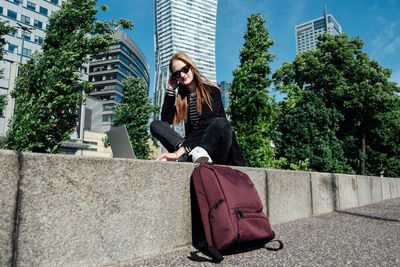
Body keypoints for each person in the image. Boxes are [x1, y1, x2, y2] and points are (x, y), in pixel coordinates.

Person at [150, 52, 245, 166]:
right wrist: (170, 90)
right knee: (155, 125)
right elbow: (166, 121)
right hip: (191, 148)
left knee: (221, 123)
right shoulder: (183, 99)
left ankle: (188, 154)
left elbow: (206, 124)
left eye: (185, 69)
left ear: (192, 67)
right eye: (177, 74)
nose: (182, 75)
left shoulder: (211, 91)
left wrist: (178, 153)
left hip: (216, 150)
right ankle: (189, 155)